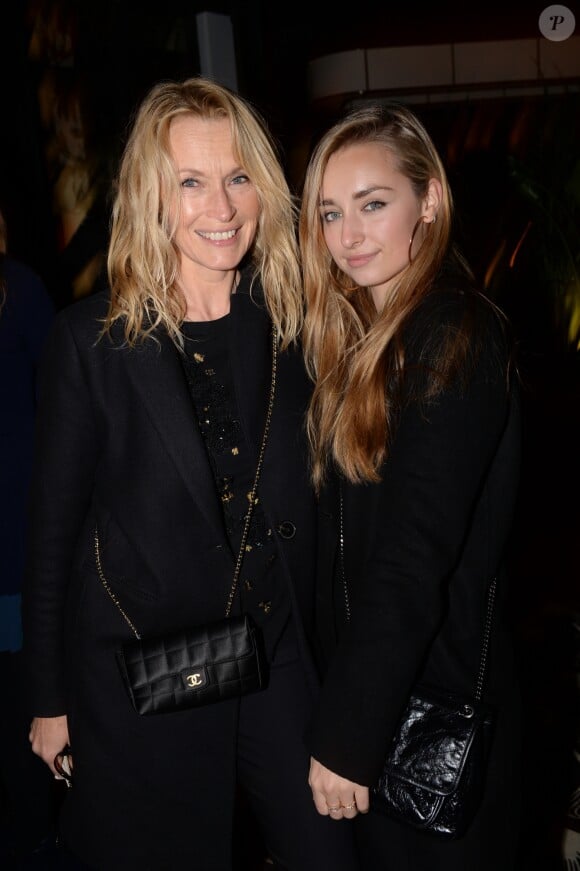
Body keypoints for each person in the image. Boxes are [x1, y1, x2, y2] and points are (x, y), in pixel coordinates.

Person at [22, 77, 359, 871]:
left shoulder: (296, 327)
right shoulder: (92, 343)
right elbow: (52, 540)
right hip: (149, 675)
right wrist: (47, 698)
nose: (223, 206)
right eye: (192, 182)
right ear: (152, 196)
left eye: (239, 177)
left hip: (278, 665)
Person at [299, 102, 522, 869]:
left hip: (432, 716)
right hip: (389, 697)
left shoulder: (452, 333)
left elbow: (411, 557)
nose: (348, 235)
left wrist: (348, 733)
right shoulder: (368, 336)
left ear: (428, 201)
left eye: (373, 204)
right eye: (330, 212)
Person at [0, 204, 57, 863]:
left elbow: (61, 408)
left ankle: (40, 838)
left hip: (19, 543)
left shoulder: (19, 290)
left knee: (25, 718)